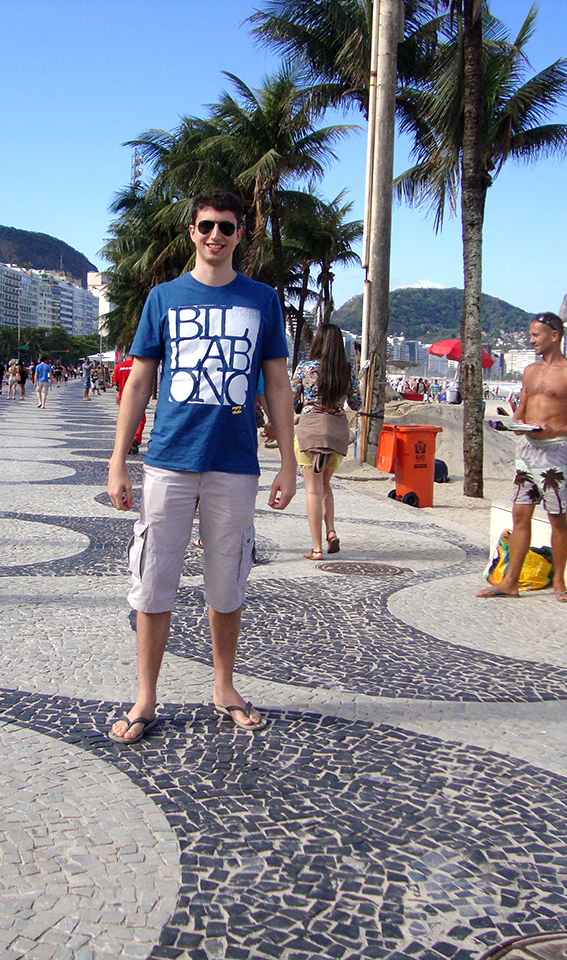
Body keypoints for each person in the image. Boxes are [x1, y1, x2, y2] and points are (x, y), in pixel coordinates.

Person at [106, 189, 297, 744]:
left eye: (227, 228)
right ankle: (146, 695)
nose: (216, 236)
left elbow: (278, 385)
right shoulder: (163, 297)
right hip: (168, 459)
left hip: (234, 464)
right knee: (153, 581)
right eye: (207, 226)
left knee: (227, 581)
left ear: (240, 236)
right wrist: (119, 457)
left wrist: (288, 462)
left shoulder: (262, 299)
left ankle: (224, 685)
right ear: (192, 231)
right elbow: (139, 380)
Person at [478, 311, 567, 603]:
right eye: (530, 335)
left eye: (535, 335)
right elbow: (522, 406)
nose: (531, 341)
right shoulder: (530, 370)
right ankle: (510, 582)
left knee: (556, 517)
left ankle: (559, 582)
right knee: (519, 515)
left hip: (556, 453)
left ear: (554, 336)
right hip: (527, 450)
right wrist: (516, 422)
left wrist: (557, 431)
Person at [290, 323, 362, 560]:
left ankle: (316, 548)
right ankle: (331, 532)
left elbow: (291, 400)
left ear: (318, 342)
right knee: (325, 485)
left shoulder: (305, 367)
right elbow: (356, 404)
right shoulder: (348, 370)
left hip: (311, 429)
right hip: (337, 431)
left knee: (312, 489)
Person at [111, 350, 145, 455]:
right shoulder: (138, 366)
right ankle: (135, 438)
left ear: (125, 356)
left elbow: (115, 382)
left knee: (125, 420)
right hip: (138, 396)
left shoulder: (119, 366)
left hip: (123, 396)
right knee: (140, 419)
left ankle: (127, 446)